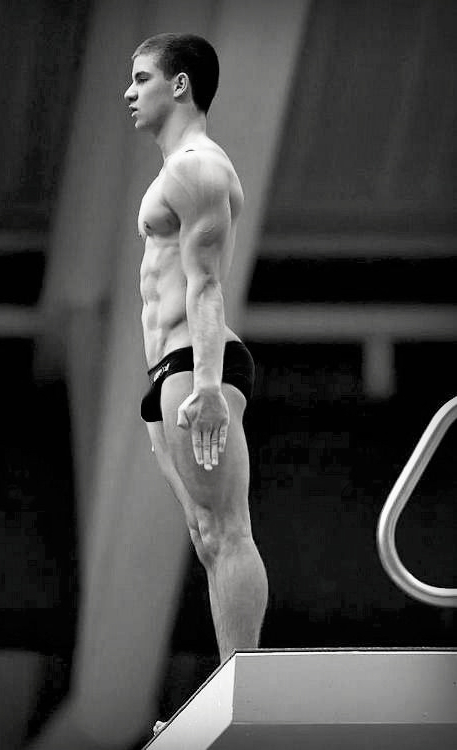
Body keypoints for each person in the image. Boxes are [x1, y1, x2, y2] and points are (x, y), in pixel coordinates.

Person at [123, 33, 268, 668]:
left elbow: (205, 283)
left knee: (227, 528)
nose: (129, 93)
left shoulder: (198, 168)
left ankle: (245, 680)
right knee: (205, 534)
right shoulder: (173, 170)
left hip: (197, 365)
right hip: (168, 371)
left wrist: (207, 385)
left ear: (179, 85)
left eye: (142, 78)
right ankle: (234, 674)